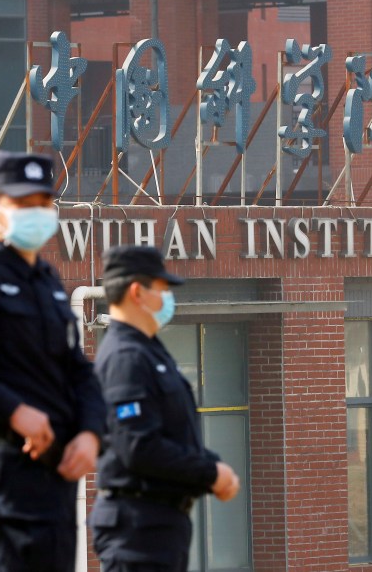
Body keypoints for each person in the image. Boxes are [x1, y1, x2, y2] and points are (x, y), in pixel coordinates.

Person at [0, 151, 106, 572]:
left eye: (44, 203)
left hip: (58, 476)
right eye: (22, 204)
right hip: (13, 471)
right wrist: (14, 411)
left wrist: (90, 433)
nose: (36, 213)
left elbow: (78, 371)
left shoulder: (48, 282)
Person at [90, 245, 241, 572]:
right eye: (162, 290)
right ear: (137, 292)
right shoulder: (125, 357)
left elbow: (174, 432)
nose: (168, 299)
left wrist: (212, 466)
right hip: (138, 527)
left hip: (158, 525)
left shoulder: (149, 352)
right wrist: (210, 473)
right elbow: (137, 446)